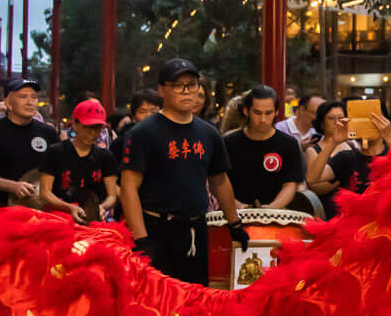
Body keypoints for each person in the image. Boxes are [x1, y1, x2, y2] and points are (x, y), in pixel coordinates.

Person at [121, 58, 243, 285]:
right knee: (159, 303)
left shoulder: (209, 133)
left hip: (196, 229)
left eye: (192, 85)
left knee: (196, 299)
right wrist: (141, 240)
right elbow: (128, 188)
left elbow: (219, 181)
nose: (187, 92)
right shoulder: (143, 133)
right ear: (161, 90)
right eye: (178, 86)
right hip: (156, 229)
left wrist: (234, 223)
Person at [0, 79, 60, 208]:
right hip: (0, 210)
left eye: (34, 97)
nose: (30, 102)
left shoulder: (48, 132)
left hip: (42, 211)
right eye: (23, 97)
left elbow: (61, 168)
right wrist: (12, 186)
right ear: (8, 103)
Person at [224, 85, 305, 210]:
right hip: (235, 212)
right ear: (246, 111)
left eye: (268, 113)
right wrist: (238, 206)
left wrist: (271, 208)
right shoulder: (229, 142)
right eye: (257, 113)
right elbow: (220, 182)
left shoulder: (288, 143)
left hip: (277, 213)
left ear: (276, 112)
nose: (263, 119)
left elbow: (290, 184)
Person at [41, 100, 120, 223]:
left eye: (97, 128)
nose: (93, 133)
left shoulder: (106, 156)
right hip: (58, 218)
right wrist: (68, 207)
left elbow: (112, 195)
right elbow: (45, 192)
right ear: (75, 124)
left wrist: (102, 207)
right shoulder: (56, 152)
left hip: (95, 219)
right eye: (88, 128)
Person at [114, 89, 161, 165]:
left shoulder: (167, 139)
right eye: (142, 111)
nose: (148, 116)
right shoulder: (121, 143)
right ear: (133, 116)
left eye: (153, 111)